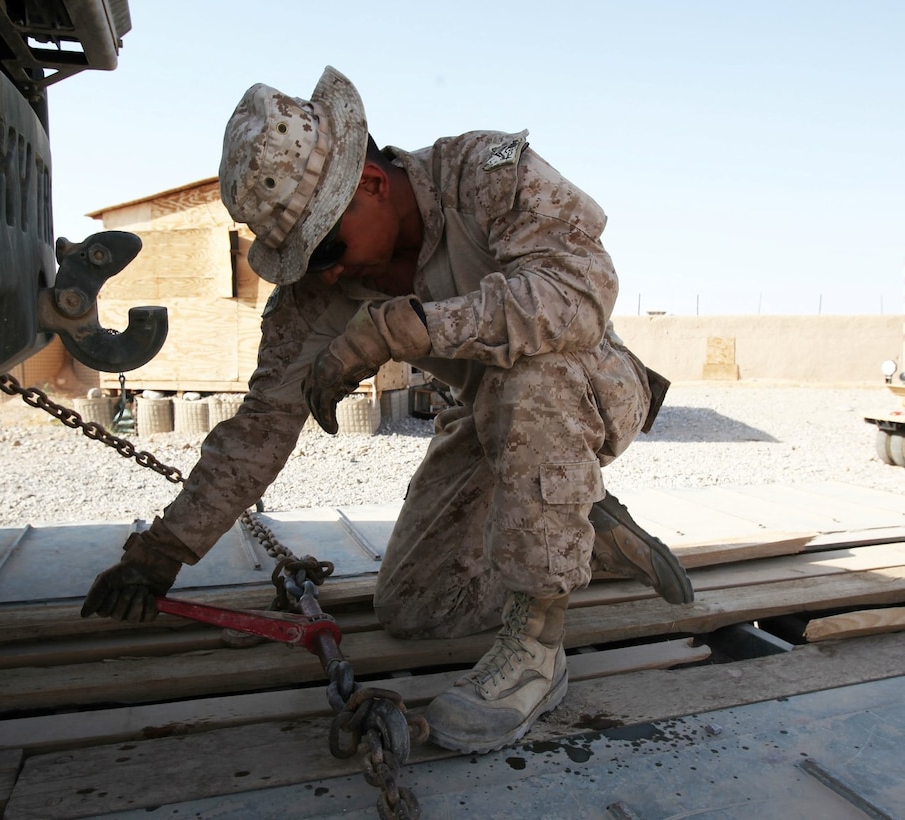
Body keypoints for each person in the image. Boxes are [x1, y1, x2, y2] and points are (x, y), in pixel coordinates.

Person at [82, 66, 693, 754]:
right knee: (414, 608)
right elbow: (261, 426)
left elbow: (578, 298)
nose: (328, 273)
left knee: (533, 371)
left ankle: (536, 654)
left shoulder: (486, 176)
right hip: (487, 425)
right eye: (307, 262)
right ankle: (577, 528)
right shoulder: (318, 295)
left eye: (328, 248)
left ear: (370, 185)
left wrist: (400, 329)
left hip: (584, 388)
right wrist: (161, 553)